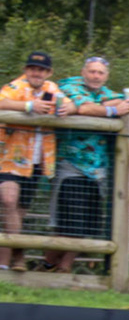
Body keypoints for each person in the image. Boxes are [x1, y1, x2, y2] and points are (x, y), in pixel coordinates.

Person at [45, 56, 129, 274]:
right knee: (66, 224)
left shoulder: (107, 93)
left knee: (86, 224)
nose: (96, 76)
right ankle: (47, 264)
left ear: (107, 76)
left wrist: (89, 106)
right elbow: (85, 108)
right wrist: (111, 110)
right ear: (83, 72)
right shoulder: (69, 86)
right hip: (71, 166)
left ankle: (64, 268)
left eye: (100, 73)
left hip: (98, 171)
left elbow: (126, 103)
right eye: (92, 71)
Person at [1, 51, 72, 273]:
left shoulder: (52, 89)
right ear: (26, 70)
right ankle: (17, 254)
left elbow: (70, 104)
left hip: (38, 162)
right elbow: (2, 101)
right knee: (9, 201)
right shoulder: (15, 87)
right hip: (10, 158)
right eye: (32, 68)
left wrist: (67, 109)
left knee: (19, 212)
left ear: (48, 73)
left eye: (41, 70)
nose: (36, 73)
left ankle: (8, 262)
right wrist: (29, 107)